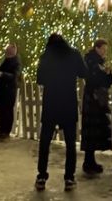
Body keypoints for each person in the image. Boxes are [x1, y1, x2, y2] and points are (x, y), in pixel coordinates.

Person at [35, 33, 87, 192]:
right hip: (68, 102)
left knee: (45, 142)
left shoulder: (46, 56)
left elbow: (40, 80)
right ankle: (69, 178)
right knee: (70, 143)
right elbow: (83, 73)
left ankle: (42, 176)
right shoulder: (74, 54)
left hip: (51, 102)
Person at [81, 38, 112, 175]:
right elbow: (98, 80)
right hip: (94, 99)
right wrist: (107, 75)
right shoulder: (93, 63)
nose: (104, 52)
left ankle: (90, 161)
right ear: (97, 48)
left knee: (93, 132)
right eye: (103, 49)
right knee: (92, 131)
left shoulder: (95, 62)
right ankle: (89, 162)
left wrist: (107, 75)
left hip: (94, 99)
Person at [0, 43, 21, 141]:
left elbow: (14, 76)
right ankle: (1, 131)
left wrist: (2, 74)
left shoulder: (16, 63)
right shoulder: (7, 61)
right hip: (3, 91)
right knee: (2, 111)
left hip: (8, 91)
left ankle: (5, 132)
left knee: (7, 112)